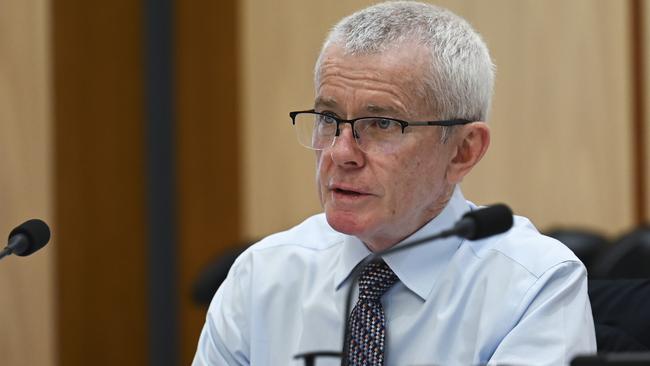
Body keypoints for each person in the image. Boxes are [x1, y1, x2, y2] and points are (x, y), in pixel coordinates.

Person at [193, 2, 597, 365]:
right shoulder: (263, 276)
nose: (340, 153)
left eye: (383, 124)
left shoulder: (534, 286)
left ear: (463, 150)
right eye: (328, 119)